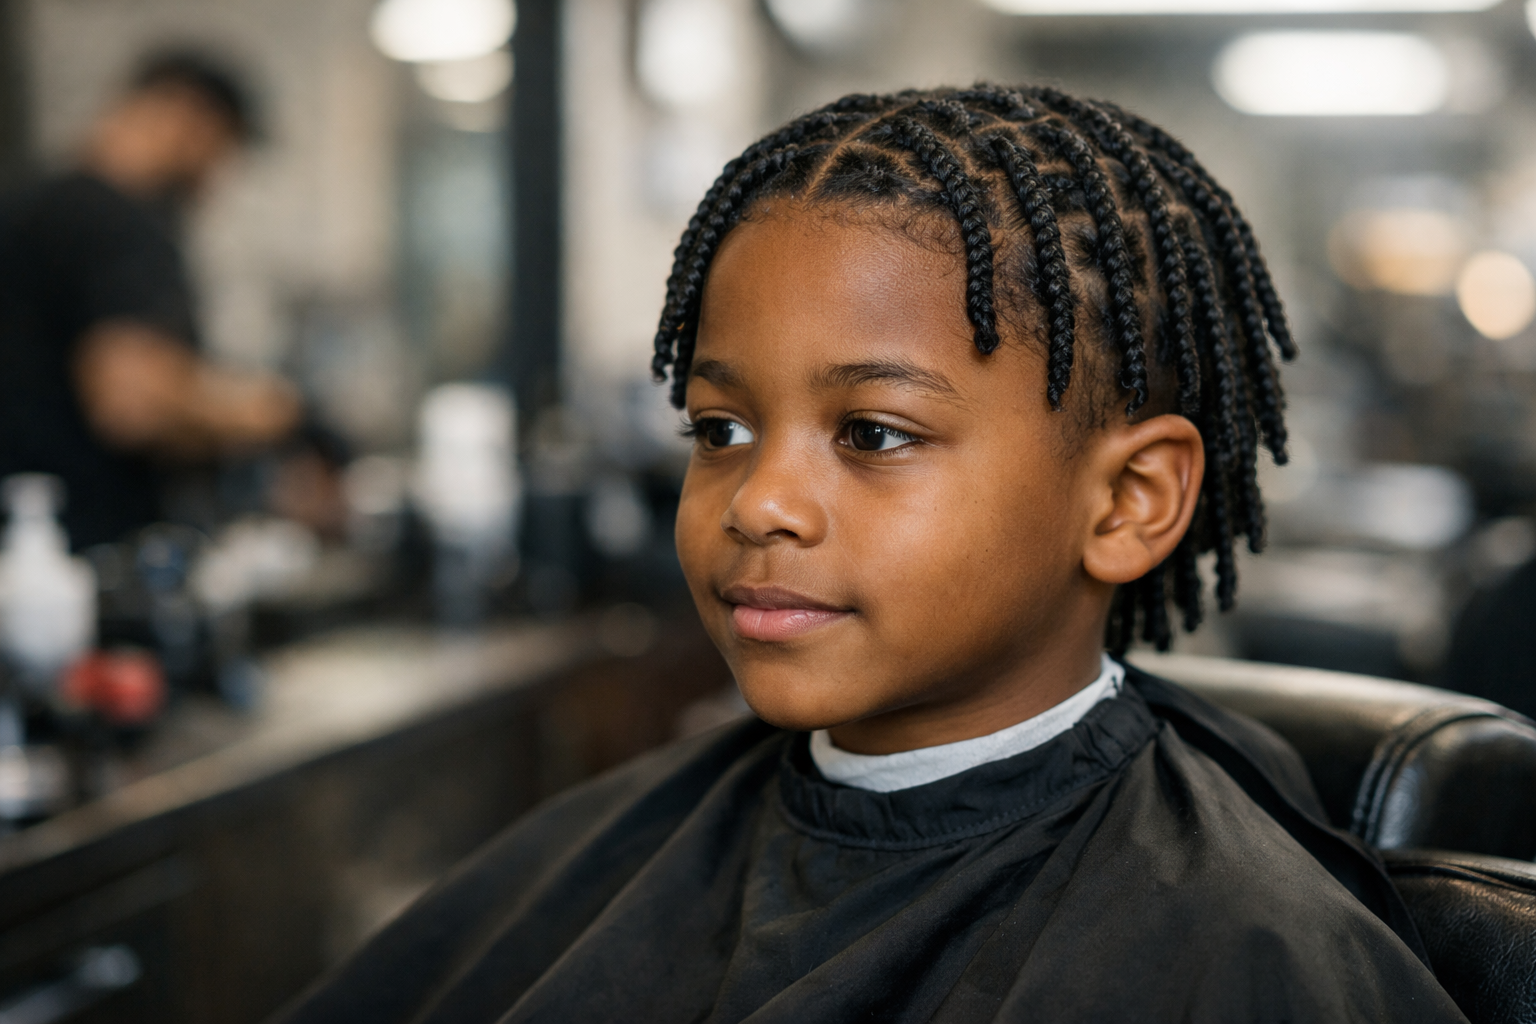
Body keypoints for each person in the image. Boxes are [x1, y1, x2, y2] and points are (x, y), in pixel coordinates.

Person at [280, 86, 1466, 1022]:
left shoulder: (1246, 956)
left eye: (874, 434)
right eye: (719, 429)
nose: (760, 502)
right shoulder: (625, 827)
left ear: (1128, 501)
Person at [0, 50, 300, 550]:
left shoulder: (29, 206)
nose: (216, 181)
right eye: (222, 152)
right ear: (189, 119)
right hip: (90, 557)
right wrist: (267, 411)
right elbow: (132, 405)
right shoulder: (120, 220)